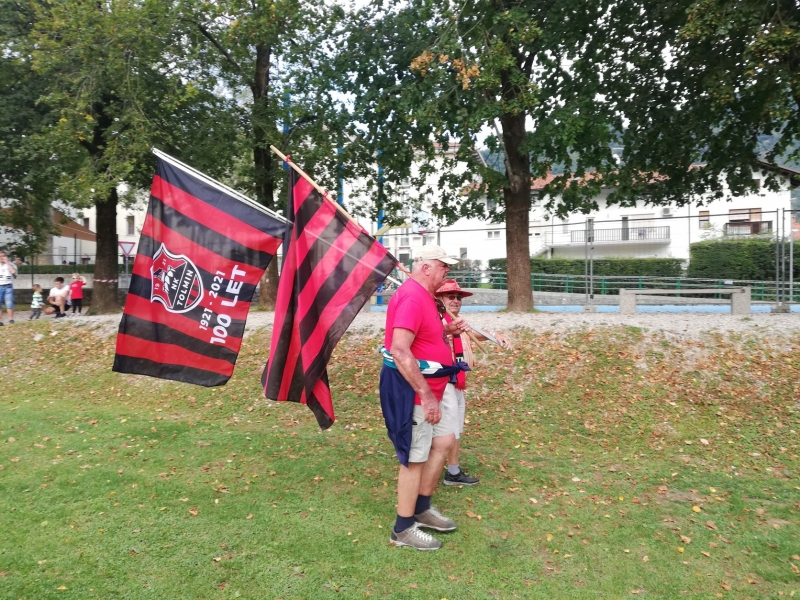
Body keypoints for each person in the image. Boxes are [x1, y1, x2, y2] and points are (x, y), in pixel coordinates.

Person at [380, 245, 469, 551]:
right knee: (414, 458)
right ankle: (403, 528)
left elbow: (425, 337)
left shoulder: (426, 298)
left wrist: (447, 332)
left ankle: (421, 508)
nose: (447, 271)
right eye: (444, 266)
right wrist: (426, 395)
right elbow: (399, 349)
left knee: (444, 441)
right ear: (427, 267)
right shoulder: (411, 297)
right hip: (416, 392)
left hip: (436, 389)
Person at [435, 279, 513, 486]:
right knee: (447, 429)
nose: (456, 301)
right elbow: (434, 335)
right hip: (443, 383)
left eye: (458, 297)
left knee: (456, 428)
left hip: (458, 383)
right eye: (450, 296)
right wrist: (448, 329)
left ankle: (453, 471)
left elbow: (472, 333)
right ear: (439, 299)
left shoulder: (459, 321)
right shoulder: (436, 321)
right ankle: (428, 471)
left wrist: (495, 335)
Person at [0, 251, 17, 325]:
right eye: (0, 256)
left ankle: (11, 319)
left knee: (9, 302)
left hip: (8, 286)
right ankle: (0, 321)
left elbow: (13, 272)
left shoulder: (11, 264)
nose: (2, 258)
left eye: (3, 256)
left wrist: (7, 263)